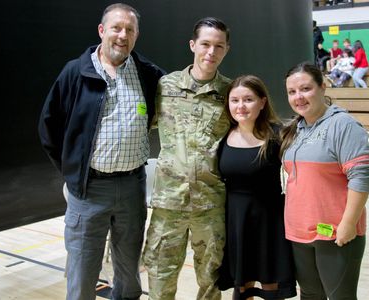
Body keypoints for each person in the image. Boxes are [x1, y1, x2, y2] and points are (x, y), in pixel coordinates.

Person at [38, 3, 165, 300]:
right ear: (101, 31)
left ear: (136, 36)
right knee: (83, 275)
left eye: (129, 30)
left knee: (129, 274)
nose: (122, 35)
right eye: (116, 28)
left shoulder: (149, 74)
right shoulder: (75, 72)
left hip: (133, 188)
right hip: (89, 189)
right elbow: (49, 126)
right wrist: (74, 169)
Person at [142, 17, 231, 300]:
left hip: (211, 204)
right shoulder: (164, 87)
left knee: (211, 282)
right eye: (205, 44)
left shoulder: (231, 93)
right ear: (193, 45)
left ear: (226, 49)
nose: (211, 52)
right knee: (160, 278)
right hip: (169, 203)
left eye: (218, 46)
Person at [281, 62, 369, 299]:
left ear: (323, 87)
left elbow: (361, 178)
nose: (298, 97)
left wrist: (348, 223)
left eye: (305, 89)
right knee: (311, 296)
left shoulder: (343, 125)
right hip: (299, 232)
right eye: (292, 92)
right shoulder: (296, 128)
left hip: (335, 233)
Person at [216, 75, 297, 299]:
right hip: (235, 221)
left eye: (248, 99)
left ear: (262, 102)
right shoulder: (222, 136)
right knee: (242, 286)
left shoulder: (278, 135)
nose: (241, 106)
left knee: (270, 284)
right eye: (235, 100)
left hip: (269, 221)